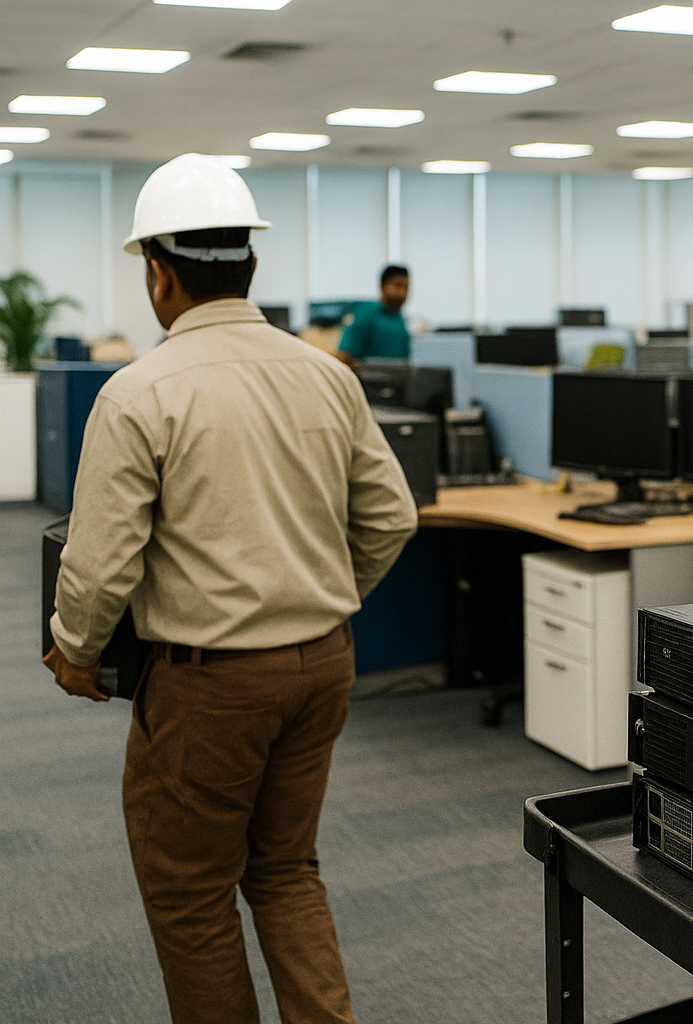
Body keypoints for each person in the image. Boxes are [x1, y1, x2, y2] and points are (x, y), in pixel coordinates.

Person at [43, 152, 418, 1024]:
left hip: (210, 686)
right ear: (250, 263)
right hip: (325, 666)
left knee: (190, 894)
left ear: (159, 275)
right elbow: (391, 519)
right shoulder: (328, 375)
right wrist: (319, 598)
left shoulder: (140, 392)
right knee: (286, 871)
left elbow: (100, 564)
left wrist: (76, 650)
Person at [336, 264, 411, 366]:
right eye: (397, 286)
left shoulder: (400, 319)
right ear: (383, 286)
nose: (403, 293)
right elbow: (344, 355)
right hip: (369, 379)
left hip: (399, 378)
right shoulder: (366, 313)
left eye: (406, 287)